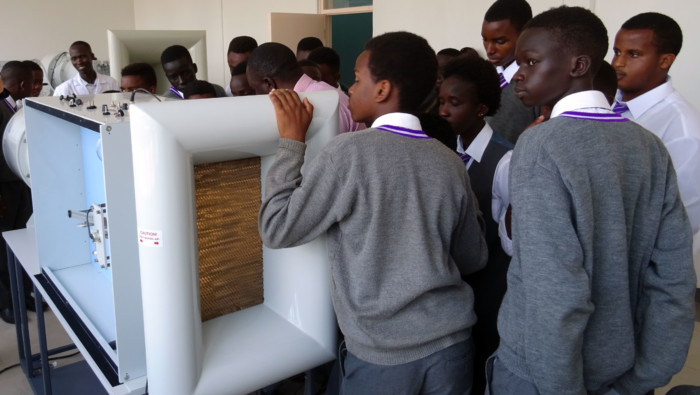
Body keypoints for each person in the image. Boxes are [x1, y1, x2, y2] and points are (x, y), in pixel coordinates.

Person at [260, 31, 487, 394]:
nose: (349, 88)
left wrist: (290, 144)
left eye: (357, 78)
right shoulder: (450, 162)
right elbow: (473, 257)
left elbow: (277, 228)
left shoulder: (346, 155)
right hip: (453, 348)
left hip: (384, 357)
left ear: (382, 90)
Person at [490, 6, 696, 394]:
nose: (518, 74)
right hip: (621, 367)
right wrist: (645, 377)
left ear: (578, 65)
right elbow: (672, 280)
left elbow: (557, 291)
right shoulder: (648, 147)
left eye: (531, 62)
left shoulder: (541, 143)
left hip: (542, 374)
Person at [438, 55, 512, 395]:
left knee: (484, 367)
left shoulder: (505, 161)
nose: (444, 111)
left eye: (455, 103)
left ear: (480, 108)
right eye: (441, 101)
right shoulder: (443, 155)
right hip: (454, 291)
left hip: (492, 290)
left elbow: (512, 239)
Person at [611, 12, 700, 235]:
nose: (618, 63)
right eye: (617, 52)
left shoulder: (683, 130)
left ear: (665, 61)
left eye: (633, 54)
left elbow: (682, 220)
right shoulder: (607, 104)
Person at [247, 42, 364, 133]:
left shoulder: (320, 103)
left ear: (269, 83)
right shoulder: (329, 94)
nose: (256, 94)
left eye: (255, 88)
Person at [0, 61, 35, 324]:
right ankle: (7, 303)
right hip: (3, 189)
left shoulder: (16, 105)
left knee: (20, 239)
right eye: (33, 83)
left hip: (18, 182)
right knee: (2, 247)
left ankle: (23, 293)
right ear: (22, 84)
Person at [481, 0, 539, 144]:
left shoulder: (537, 84)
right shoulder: (484, 77)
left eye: (500, 42)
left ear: (525, 35)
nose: (489, 50)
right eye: (485, 39)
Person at [53, 41, 119, 96]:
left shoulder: (111, 83)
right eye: (74, 59)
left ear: (92, 56)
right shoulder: (63, 89)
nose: (79, 62)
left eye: (82, 57)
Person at [160, 45, 226, 99]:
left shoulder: (217, 91)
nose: (181, 81)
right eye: (174, 77)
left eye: (185, 73)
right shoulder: (166, 101)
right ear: (168, 78)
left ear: (195, 68)